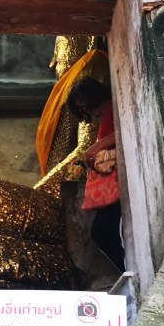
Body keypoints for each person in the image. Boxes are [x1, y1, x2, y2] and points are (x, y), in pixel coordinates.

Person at [66, 77, 125, 272]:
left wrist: (95, 148)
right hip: (113, 181)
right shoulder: (108, 113)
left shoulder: (113, 109)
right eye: (83, 109)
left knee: (102, 232)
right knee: (105, 232)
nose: (88, 111)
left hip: (117, 182)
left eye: (87, 105)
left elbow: (122, 132)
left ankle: (126, 268)